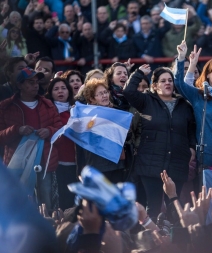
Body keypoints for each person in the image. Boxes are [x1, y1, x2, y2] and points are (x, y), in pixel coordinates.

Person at [123, 64, 196, 220]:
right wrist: (139, 73)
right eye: (163, 81)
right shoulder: (146, 101)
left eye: (170, 80)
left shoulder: (184, 105)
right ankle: (152, 239)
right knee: (153, 207)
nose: (168, 83)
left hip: (177, 162)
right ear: (154, 86)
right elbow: (128, 92)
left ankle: (175, 241)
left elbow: (190, 129)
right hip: (151, 163)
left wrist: (191, 147)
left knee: (174, 207)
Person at [0, 68, 62, 211]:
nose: (36, 85)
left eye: (37, 82)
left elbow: (60, 132)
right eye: (30, 82)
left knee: (46, 204)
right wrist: (17, 130)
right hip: (17, 167)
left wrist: (49, 131)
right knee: (19, 206)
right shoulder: (5, 107)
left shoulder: (48, 105)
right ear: (20, 85)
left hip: (44, 164)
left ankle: (48, 232)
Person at [77, 78, 126, 183]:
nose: (104, 95)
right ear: (91, 99)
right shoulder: (86, 118)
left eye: (105, 92)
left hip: (116, 167)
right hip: (97, 168)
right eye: (100, 94)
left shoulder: (116, 113)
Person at [45, 77, 77, 210]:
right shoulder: (46, 111)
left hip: (76, 163)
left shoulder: (77, 110)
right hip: (56, 163)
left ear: (69, 91)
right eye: (56, 89)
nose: (60, 91)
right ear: (50, 93)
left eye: (63, 88)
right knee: (61, 201)